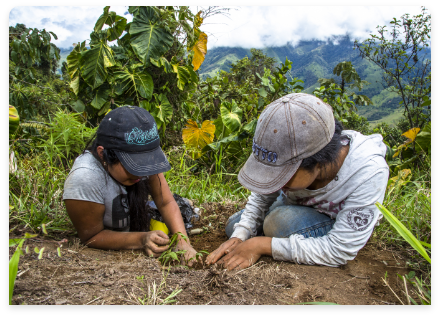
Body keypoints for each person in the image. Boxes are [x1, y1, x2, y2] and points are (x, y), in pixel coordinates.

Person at [206, 93, 389, 270]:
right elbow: (264, 193)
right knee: (235, 226)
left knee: (278, 223)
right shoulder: (299, 148)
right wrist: (241, 234)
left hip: (334, 220)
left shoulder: (368, 172)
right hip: (295, 207)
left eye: (283, 175)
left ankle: (276, 231)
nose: (277, 184)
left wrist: (262, 246)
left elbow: (339, 250)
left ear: (319, 161)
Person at [63, 106, 197, 262]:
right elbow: (91, 236)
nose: (142, 174)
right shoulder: (85, 178)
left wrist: (182, 241)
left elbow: (165, 201)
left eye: (145, 162)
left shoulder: (144, 162)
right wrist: (141, 239)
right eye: (134, 165)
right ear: (103, 154)